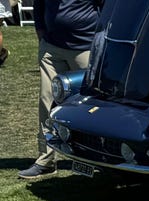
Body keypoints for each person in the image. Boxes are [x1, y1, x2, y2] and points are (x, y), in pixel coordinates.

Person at [21, 0, 100, 179]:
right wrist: (40, 31)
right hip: (51, 47)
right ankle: (45, 160)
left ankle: (90, 158)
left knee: (89, 106)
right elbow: (38, 4)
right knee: (46, 100)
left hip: (85, 47)